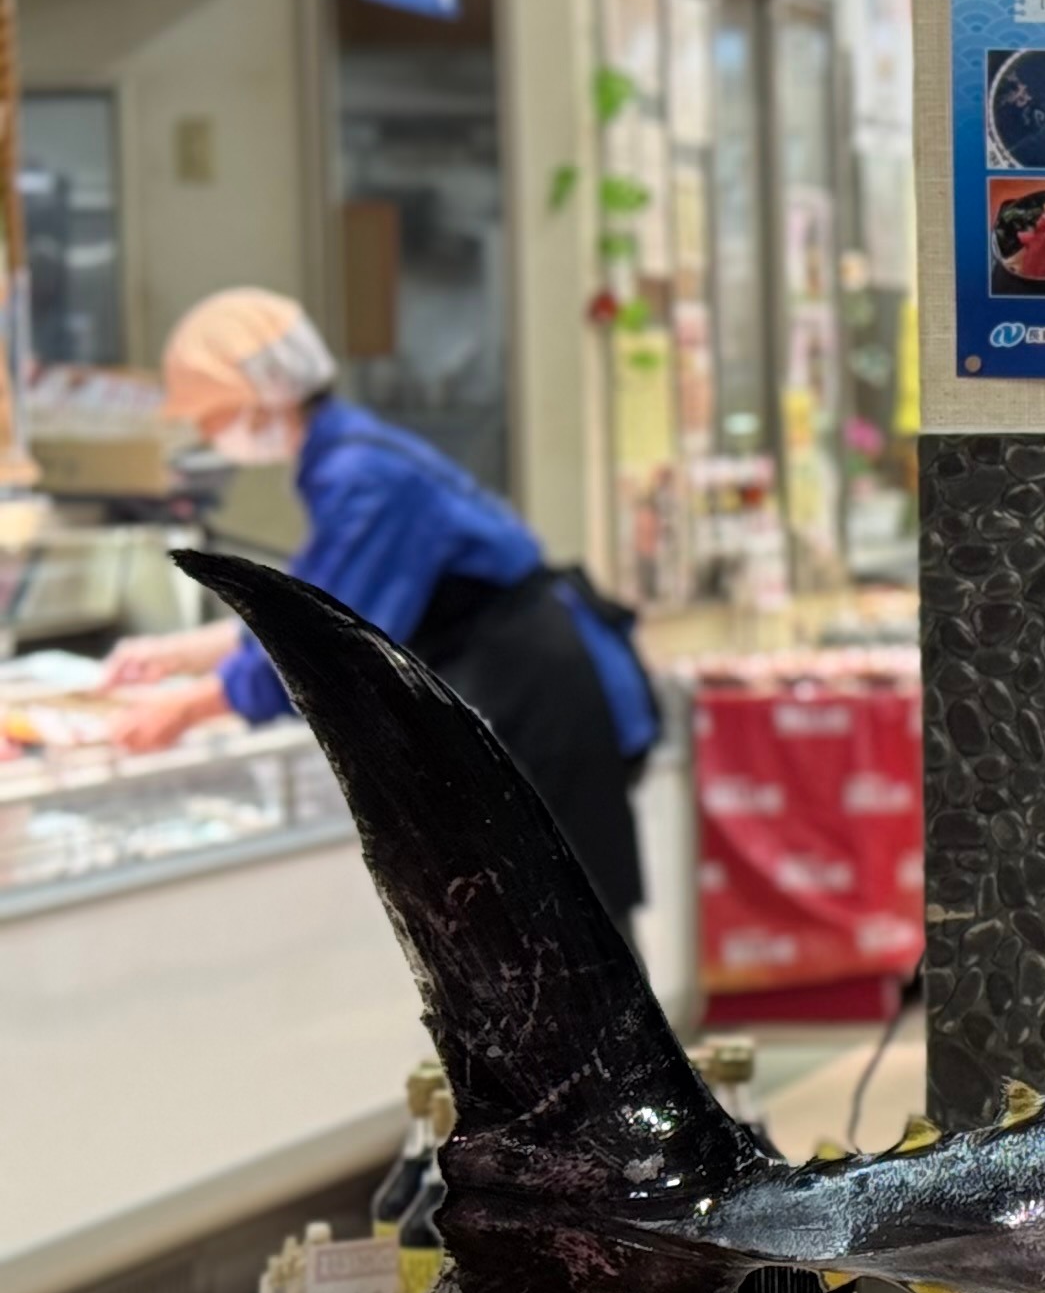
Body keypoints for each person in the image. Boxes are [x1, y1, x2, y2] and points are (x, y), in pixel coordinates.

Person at [104, 286, 660, 918]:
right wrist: (181, 654)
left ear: (262, 394)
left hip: (541, 698)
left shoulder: (363, 477)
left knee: (573, 932)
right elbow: (312, 594)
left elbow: (320, 644)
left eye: (211, 415)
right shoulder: (347, 453)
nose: (208, 433)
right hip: (519, 679)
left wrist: (188, 707)